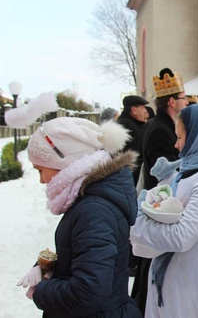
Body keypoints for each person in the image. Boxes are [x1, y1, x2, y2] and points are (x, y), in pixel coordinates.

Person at [12, 112, 141, 317]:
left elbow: (89, 291)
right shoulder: (90, 199)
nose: (42, 180)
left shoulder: (94, 210)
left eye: (40, 170)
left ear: (63, 163)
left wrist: (43, 290)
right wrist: (49, 267)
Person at [129, 103, 198, 317]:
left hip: (196, 280)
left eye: (180, 137)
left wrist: (138, 225)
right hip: (172, 277)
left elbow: (182, 236)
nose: (176, 145)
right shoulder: (186, 170)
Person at [132, 68, 188, 314]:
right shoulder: (160, 129)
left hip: (162, 206)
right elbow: (162, 174)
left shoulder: (166, 125)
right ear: (172, 101)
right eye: (184, 97)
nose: (187, 102)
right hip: (159, 206)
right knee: (151, 268)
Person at [118, 95, 149, 185]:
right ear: (134, 110)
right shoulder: (131, 128)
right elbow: (136, 158)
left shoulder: (123, 124)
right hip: (131, 180)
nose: (145, 111)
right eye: (143, 108)